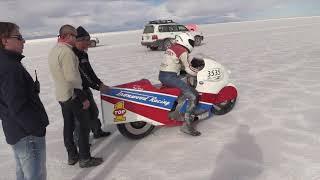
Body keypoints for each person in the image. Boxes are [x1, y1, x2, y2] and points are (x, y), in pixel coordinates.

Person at [48, 24, 103, 168]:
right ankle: (85, 158)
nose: (75, 38)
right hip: (73, 95)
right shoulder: (67, 52)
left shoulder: (54, 50)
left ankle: (72, 155)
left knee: (68, 125)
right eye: (74, 35)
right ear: (67, 36)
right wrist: (83, 97)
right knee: (84, 126)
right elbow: (72, 78)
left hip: (62, 95)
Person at [0, 22, 49, 180]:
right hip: (27, 134)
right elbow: (17, 106)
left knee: (23, 173)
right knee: (36, 175)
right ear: (4, 40)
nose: (24, 41)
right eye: (19, 37)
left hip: (15, 130)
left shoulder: (6, 63)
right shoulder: (10, 68)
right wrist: (35, 129)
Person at [158, 32, 201, 136]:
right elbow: (188, 68)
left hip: (163, 76)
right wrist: (199, 72)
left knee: (181, 89)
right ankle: (187, 126)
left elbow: (177, 65)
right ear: (185, 40)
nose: (192, 44)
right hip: (170, 77)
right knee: (193, 95)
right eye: (191, 42)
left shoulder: (173, 48)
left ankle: (172, 112)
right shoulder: (182, 50)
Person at [72, 26, 111, 140]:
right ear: (78, 41)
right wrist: (98, 87)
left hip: (86, 88)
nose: (88, 44)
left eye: (89, 40)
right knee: (81, 120)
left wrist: (100, 83)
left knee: (94, 112)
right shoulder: (72, 55)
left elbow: (90, 72)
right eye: (86, 41)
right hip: (77, 91)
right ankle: (80, 142)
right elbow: (82, 75)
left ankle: (97, 131)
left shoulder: (84, 54)